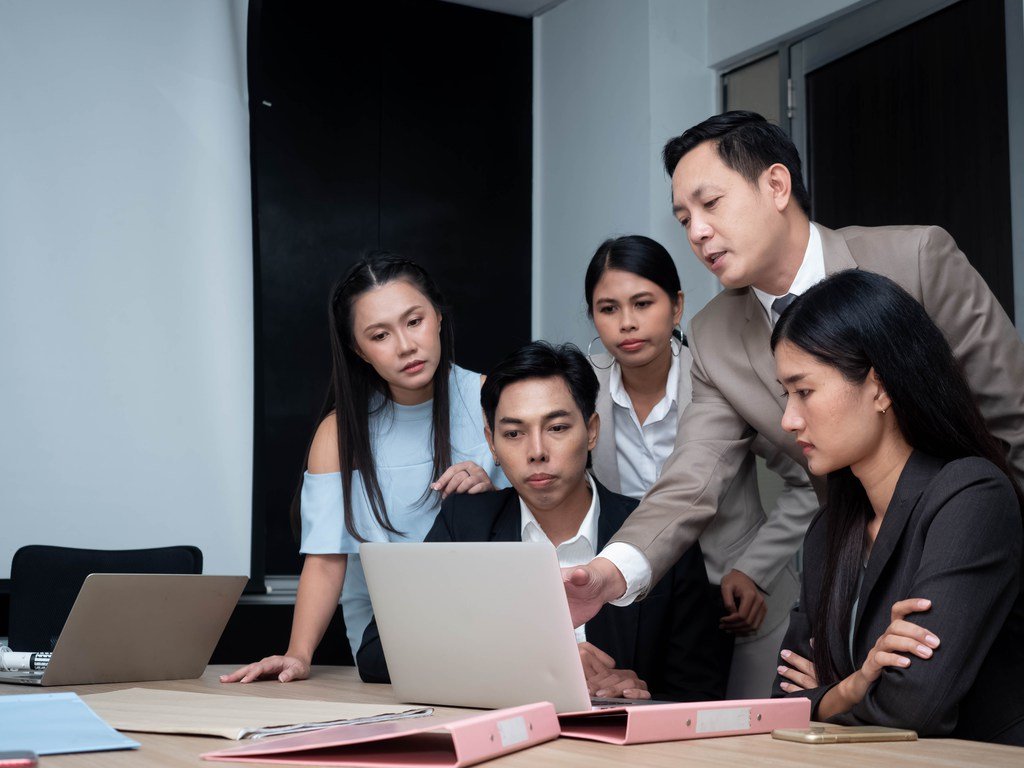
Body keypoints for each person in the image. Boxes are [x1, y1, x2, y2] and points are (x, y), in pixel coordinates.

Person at [561, 110, 1024, 631]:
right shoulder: (713, 335)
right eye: (684, 218)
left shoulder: (915, 259)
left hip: (984, 553)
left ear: (776, 185)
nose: (698, 231)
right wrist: (609, 572)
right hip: (858, 578)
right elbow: (693, 474)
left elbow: (1011, 418)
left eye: (710, 204)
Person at [357, 342, 726, 702]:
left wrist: (637, 695)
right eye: (514, 433)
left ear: (591, 430)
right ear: (491, 443)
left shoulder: (659, 537)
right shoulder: (465, 524)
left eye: (557, 428)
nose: (536, 452)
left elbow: (702, 692)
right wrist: (542, 665)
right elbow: (375, 655)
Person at [222, 253, 504, 683]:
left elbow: (546, 515)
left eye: (415, 321)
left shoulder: (494, 401)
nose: (406, 346)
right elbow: (325, 559)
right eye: (380, 335)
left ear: (439, 318)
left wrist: (492, 496)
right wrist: (298, 655)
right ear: (358, 349)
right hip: (390, 641)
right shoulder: (338, 435)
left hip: (494, 617)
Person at [770, 270, 1024, 745]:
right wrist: (856, 684)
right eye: (785, 395)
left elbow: (916, 708)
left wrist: (827, 697)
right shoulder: (829, 528)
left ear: (880, 387)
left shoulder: (971, 496)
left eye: (804, 391)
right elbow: (780, 703)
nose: (788, 419)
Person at [583, 234, 817, 697]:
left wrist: (755, 568)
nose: (627, 323)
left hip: (737, 595)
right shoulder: (582, 389)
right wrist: (481, 469)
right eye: (608, 309)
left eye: (643, 303)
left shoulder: (719, 375)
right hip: (634, 600)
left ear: (676, 307)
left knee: (747, 737)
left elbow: (809, 480)